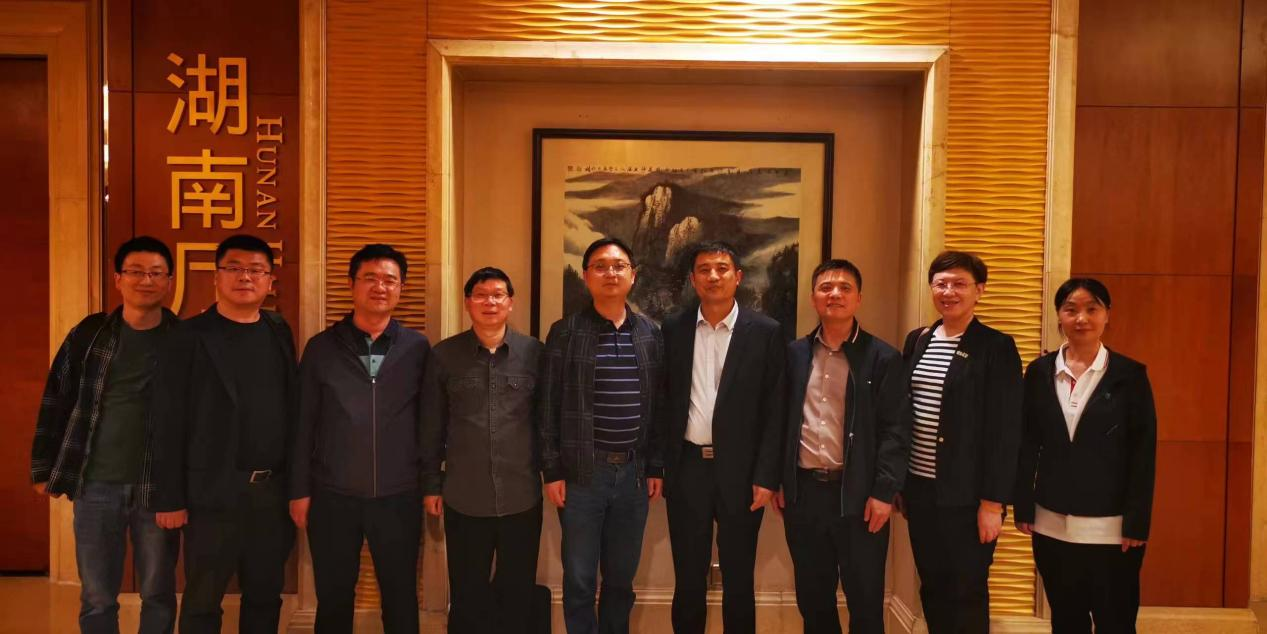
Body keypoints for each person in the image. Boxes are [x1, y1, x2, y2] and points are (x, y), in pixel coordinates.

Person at [30, 236, 181, 634]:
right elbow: (56, 397)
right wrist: (43, 467)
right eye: (136, 272)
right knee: (97, 596)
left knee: (158, 593)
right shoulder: (90, 334)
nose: (146, 280)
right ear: (118, 279)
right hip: (95, 483)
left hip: (158, 487)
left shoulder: (185, 339)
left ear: (169, 281)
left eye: (156, 273)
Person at [150, 234, 298, 634]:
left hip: (271, 493)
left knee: (265, 595)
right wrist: (170, 497)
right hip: (211, 493)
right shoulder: (187, 336)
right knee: (202, 600)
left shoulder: (278, 330)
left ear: (269, 280)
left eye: (256, 270)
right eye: (234, 268)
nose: (244, 277)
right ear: (216, 277)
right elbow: (167, 420)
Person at [289, 244, 430, 634]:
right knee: (333, 597)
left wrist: (429, 484)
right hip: (332, 494)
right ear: (351, 284)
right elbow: (303, 423)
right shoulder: (322, 347)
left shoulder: (417, 348)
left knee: (401, 596)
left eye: (389, 280)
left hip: (399, 494)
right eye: (370, 278)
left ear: (401, 288)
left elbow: (429, 423)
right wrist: (299, 490)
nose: (380, 287)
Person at [776, 259, 911, 634]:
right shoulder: (794, 354)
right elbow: (779, 422)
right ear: (813, 298)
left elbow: (896, 430)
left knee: (865, 601)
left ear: (858, 298)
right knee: (813, 600)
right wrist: (781, 479)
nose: (834, 294)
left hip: (861, 497)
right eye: (826, 288)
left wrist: (884, 492)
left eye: (844, 288)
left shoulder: (883, 357)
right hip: (805, 494)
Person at [1013, 278, 1156, 633]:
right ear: (1059, 316)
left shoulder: (1129, 375)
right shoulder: (1039, 372)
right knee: (1066, 621)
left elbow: (1143, 453)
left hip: (1112, 529)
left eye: (1092, 309)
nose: (1082, 318)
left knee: (1115, 623)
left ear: (1107, 315)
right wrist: (1023, 505)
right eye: (1071, 309)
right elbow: (1026, 442)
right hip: (1051, 524)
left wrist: (1137, 522)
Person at [539, 237, 665, 634]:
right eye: (600, 266)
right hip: (581, 474)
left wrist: (655, 466)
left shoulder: (650, 334)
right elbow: (547, 405)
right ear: (586, 275)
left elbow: (659, 407)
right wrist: (552, 470)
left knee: (621, 578)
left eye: (618, 265)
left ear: (633, 275)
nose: (610, 273)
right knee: (579, 578)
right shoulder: (565, 333)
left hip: (633, 474)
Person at [660, 241, 785, 634]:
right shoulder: (673, 329)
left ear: (738, 277)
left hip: (742, 474)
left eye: (721, 268)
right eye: (704, 269)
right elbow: (663, 401)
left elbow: (775, 411)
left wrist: (766, 476)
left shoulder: (765, 332)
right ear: (693, 279)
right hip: (687, 469)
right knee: (688, 578)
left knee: (739, 578)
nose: (713, 276)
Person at [899, 250, 1022, 633]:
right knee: (933, 586)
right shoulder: (918, 340)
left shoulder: (996, 346)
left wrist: (992, 503)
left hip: (969, 498)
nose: (948, 292)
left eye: (959, 284)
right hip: (921, 491)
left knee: (966, 591)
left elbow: (1006, 430)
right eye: (941, 284)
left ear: (979, 290)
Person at [422, 267, 543, 634]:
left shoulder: (534, 353)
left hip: (522, 496)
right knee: (467, 595)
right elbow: (431, 426)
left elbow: (547, 422)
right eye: (480, 295)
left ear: (511, 302)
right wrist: (431, 484)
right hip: (464, 497)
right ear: (467, 303)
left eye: (497, 294)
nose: (489, 302)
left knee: (517, 593)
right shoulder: (444, 355)